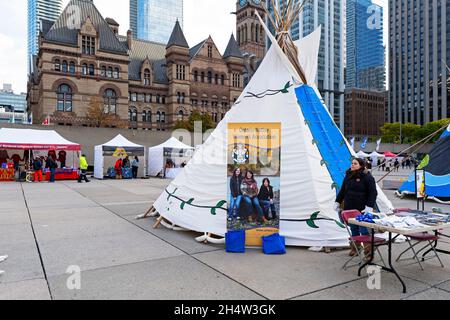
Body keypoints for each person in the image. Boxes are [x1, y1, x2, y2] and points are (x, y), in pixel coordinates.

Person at [335, 158, 378, 259]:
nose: (352, 165)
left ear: (361, 165)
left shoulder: (367, 177)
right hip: (349, 207)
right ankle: (355, 248)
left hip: (362, 208)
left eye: (355, 163)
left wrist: (369, 206)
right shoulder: (348, 175)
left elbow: (373, 193)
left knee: (364, 230)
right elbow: (342, 190)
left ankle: (368, 252)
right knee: (353, 228)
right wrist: (338, 201)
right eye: (352, 163)